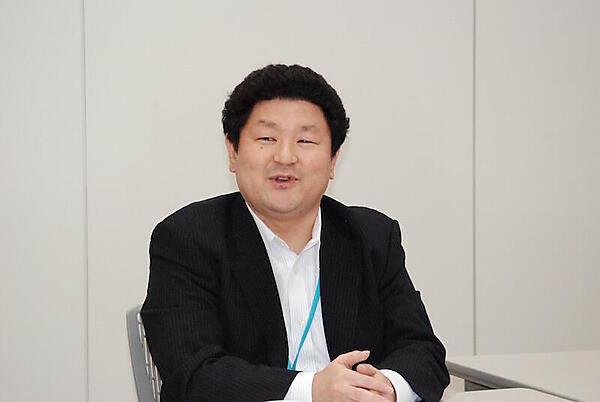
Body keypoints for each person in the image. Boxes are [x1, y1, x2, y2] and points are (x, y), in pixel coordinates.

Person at [141, 64, 449, 402]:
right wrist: (313, 390)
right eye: (267, 138)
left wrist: (384, 388)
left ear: (333, 160)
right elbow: (193, 373)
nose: (285, 156)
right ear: (233, 151)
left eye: (305, 140)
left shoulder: (372, 236)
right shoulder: (188, 239)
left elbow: (422, 350)